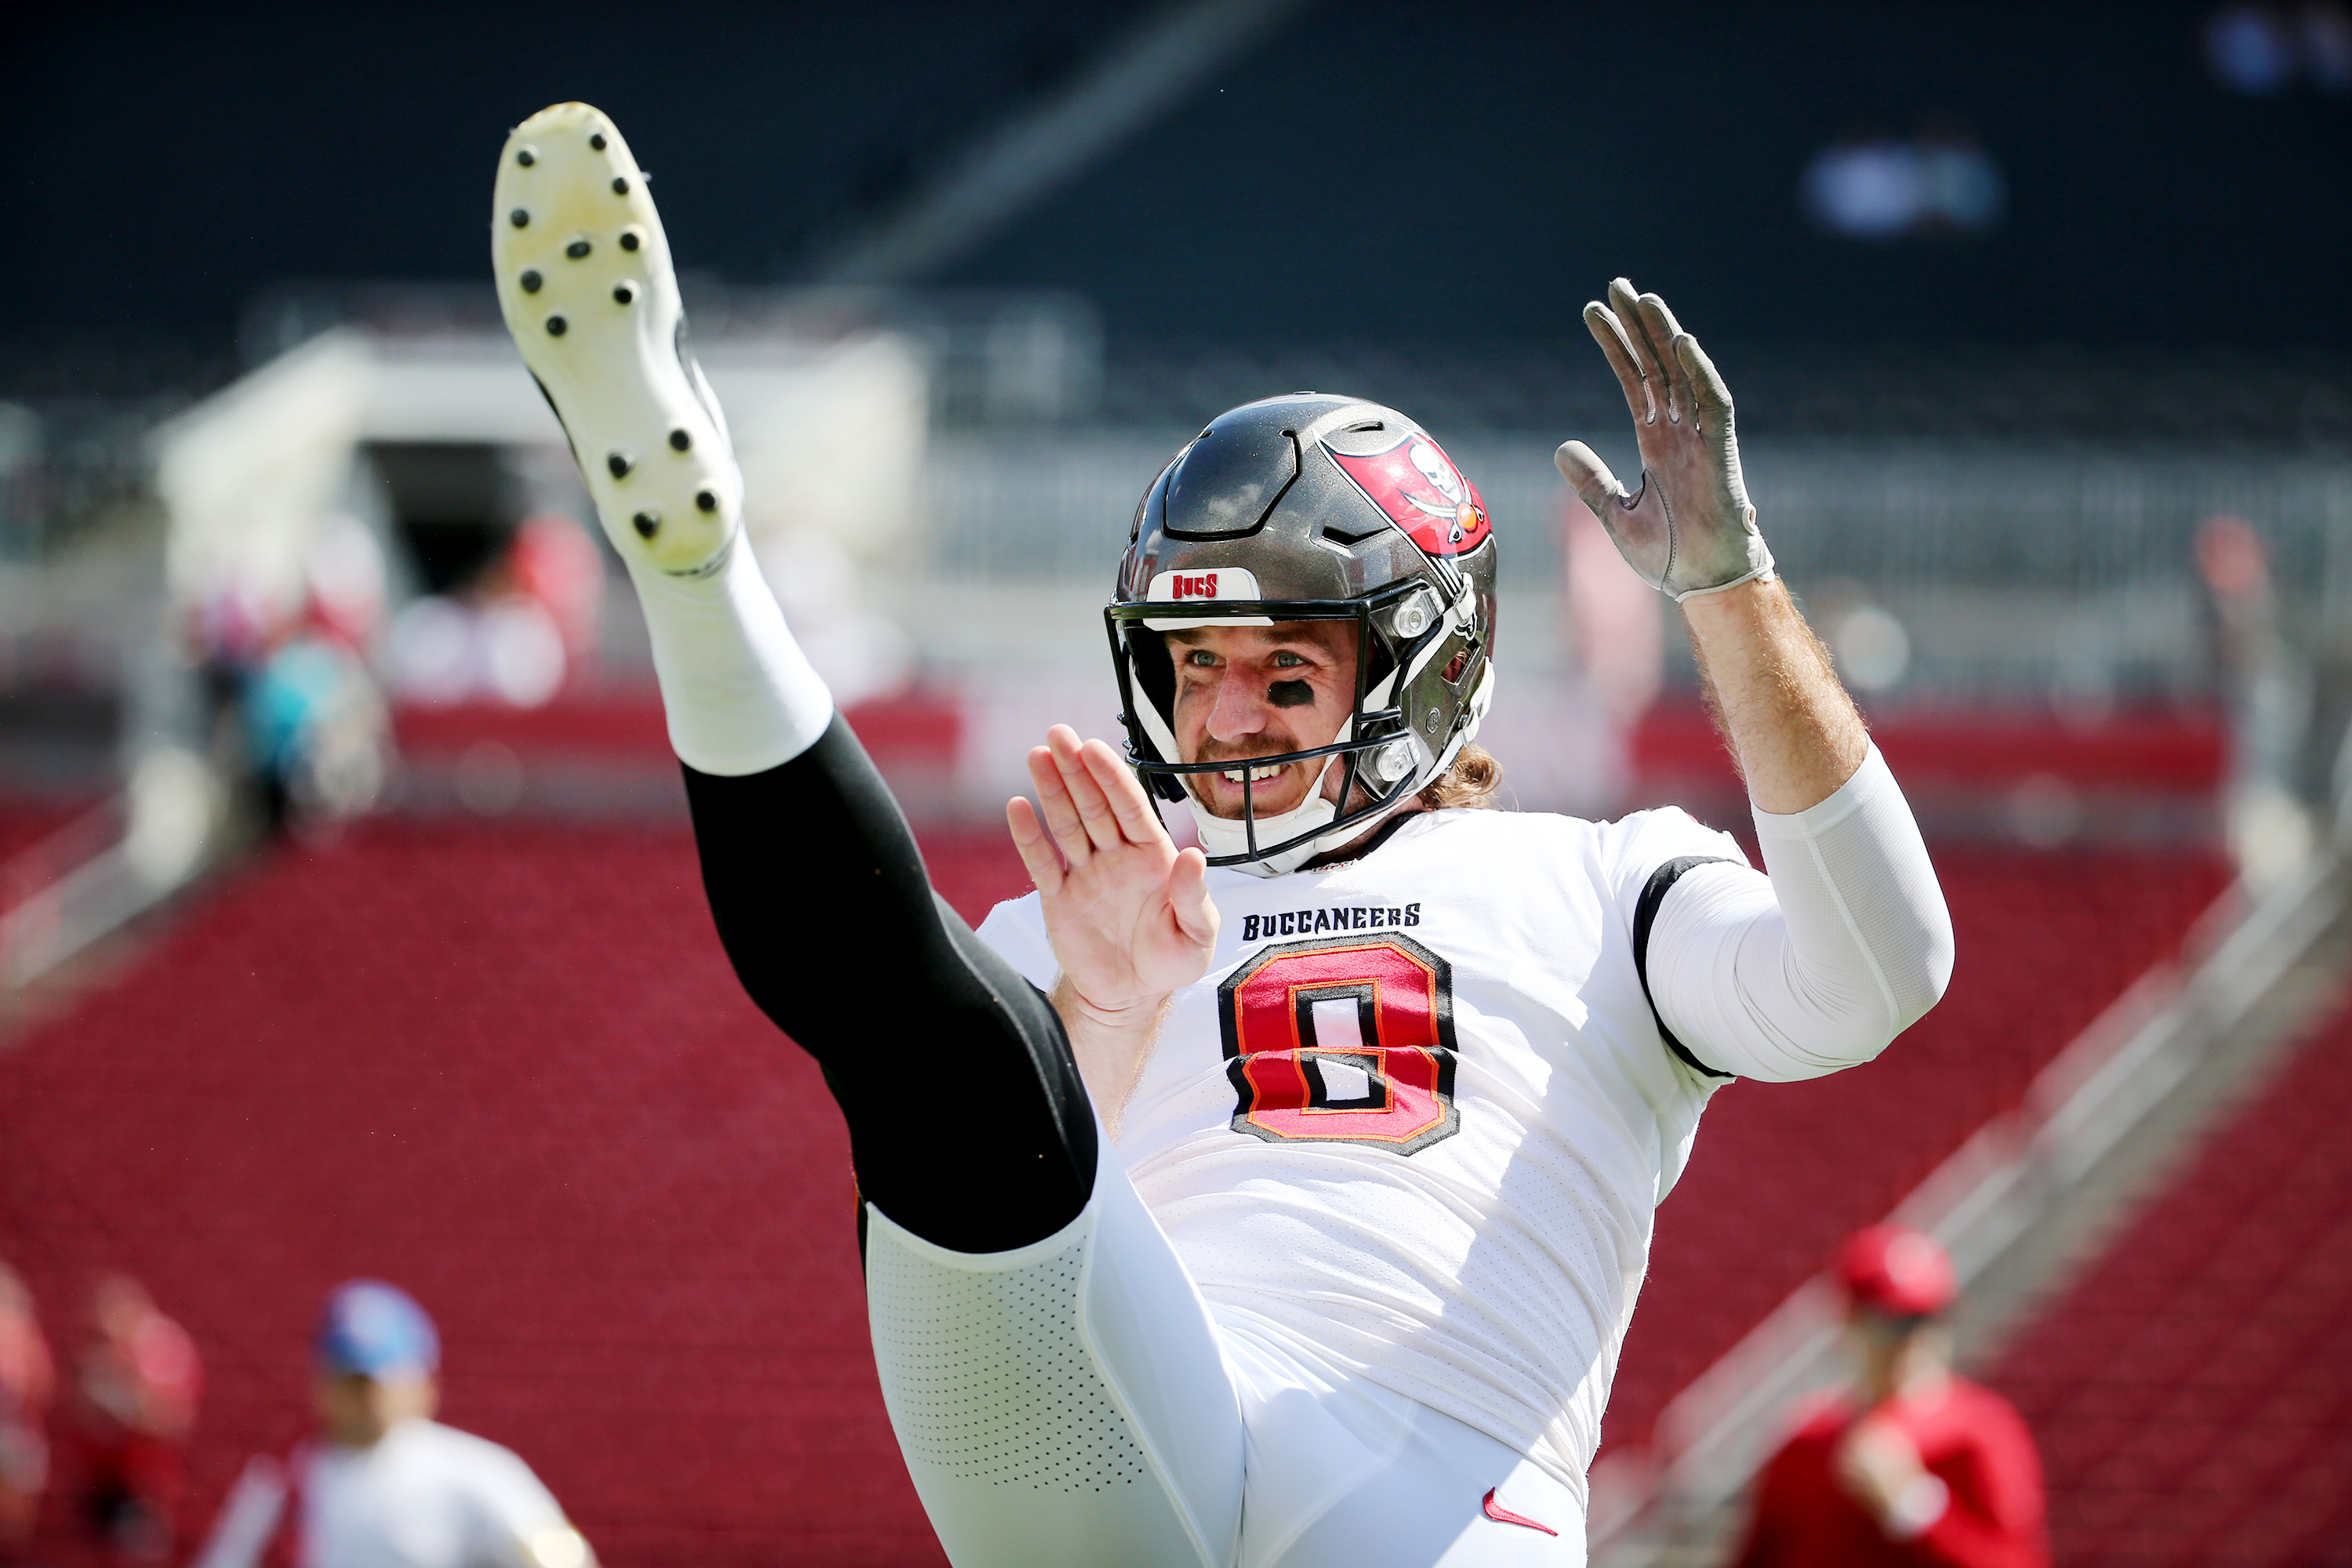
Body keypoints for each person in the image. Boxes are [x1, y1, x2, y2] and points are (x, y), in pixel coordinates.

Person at [490, 102, 1955, 1566]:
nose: (1230, 718)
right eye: (1196, 667)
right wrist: (1108, 1012)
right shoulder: (1080, 919)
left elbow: (1876, 974)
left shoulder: (1598, 884)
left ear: (1426, 672)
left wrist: (1729, 586)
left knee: (980, 1054)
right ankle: (697, 567)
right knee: (933, 1053)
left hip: (1435, 1504)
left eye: (1285, 670)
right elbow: (990, 1283)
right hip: (1138, 1460)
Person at [193, 1281, 593, 1568]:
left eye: (379, 1381)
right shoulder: (281, 1477)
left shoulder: (479, 1472)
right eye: (351, 1381)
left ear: (422, 1382)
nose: (366, 1397)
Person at [1732, 1227, 2049, 1567]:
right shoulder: (1804, 1441)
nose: (1908, 1341)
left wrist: (1913, 1506)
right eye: (1888, 1323)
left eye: (1923, 1321)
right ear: (1849, 1321)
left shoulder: (1982, 1431)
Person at [73, 1274, 201, 1561]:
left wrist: (123, 1398)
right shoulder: (105, 1350)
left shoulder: (159, 1346)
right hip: (105, 1478)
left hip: (145, 1482)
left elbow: (171, 1417)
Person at [0, 1261, 53, 1554]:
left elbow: (40, 1386)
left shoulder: (27, 1337)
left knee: (13, 1519)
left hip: (16, 1430)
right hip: (14, 1431)